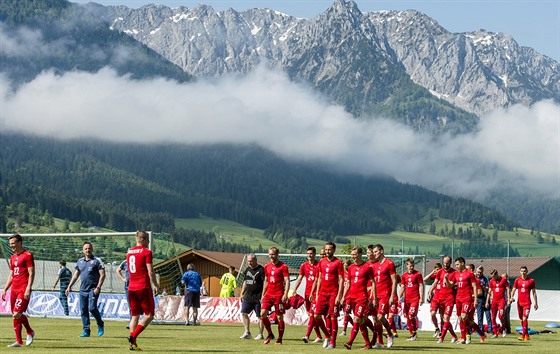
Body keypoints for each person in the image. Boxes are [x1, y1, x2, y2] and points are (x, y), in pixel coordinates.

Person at [126, 230, 160, 351]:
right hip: (143, 286)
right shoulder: (147, 252)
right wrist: (156, 285)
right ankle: (133, 336)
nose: (149, 242)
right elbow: (150, 271)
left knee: (135, 315)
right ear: (143, 239)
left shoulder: (129, 253)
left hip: (131, 287)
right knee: (149, 315)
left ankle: (132, 345)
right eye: (148, 240)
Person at [66, 241, 106, 338]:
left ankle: (100, 324)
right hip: (82, 290)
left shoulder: (97, 261)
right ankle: (86, 330)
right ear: (83, 250)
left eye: (89, 248)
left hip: (93, 289)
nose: (88, 250)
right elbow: (76, 275)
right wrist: (69, 286)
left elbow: (103, 275)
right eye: (86, 248)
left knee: (92, 308)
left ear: (92, 249)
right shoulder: (80, 261)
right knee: (83, 310)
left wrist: (98, 287)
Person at [2, 234, 35, 347]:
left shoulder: (27, 255)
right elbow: (11, 275)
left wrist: (28, 288)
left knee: (17, 313)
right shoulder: (12, 258)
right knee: (15, 315)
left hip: (23, 288)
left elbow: (31, 273)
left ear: (19, 242)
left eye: (13, 243)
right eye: (10, 244)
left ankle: (30, 331)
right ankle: (19, 341)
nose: (11, 246)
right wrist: (6, 289)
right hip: (14, 289)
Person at [445, 257, 486, 344]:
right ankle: (468, 336)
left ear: (462, 263)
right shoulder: (456, 274)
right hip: (458, 298)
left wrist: (475, 300)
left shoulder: (469, 274)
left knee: (464, 317)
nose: (456, 266)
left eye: (457, 264)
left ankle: (466, 336)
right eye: (455, 265)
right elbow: (450, 286)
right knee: (462, 319)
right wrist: (446, 280)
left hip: (467, 299)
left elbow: (475, 287)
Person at [342, 246, 376, 350]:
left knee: (356, 319)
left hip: (362, 298)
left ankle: (350, 342)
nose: (353, 257)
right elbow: (348, 283)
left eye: (355, 254)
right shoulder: (351, 267)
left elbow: (373, 282)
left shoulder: (367, 267)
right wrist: (343, 296)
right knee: (361, 321)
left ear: (360, 254)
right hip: (352, 297)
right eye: (352, 255)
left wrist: (373, 298)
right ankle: (368, 343)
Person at [314, 241, 344, 349]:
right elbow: (320, 278)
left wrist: (339, 295)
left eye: (329, 249)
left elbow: (341, 280)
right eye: (326, 249)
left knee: (332, 317)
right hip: (322, 293)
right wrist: (317, 293)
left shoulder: (338, 263)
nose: (327, 251)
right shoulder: (321, 262)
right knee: (316, 315)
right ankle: (327, 335)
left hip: (333, 293)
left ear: (334, 250)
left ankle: (333, 342)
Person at [368, 244, 397, 348]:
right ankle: (380, 342)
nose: (374, 254)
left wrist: (392, 296)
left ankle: (389, 334)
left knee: (380, 317)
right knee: (376, 319)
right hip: (376, 294)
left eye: (375, 252)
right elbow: (373, 283)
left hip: (385, 294)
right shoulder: (374, 265)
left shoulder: (389, 263)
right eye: (373, 252)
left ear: (381, 251)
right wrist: (372, 296)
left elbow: (394, 280)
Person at [292, 246, 323, 344]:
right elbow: (300, 278)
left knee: (313, 315)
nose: (309, 255)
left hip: (317, 293)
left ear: (314, 254)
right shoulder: (303, 265)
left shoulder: (319, 265)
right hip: (307, 293)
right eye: (308, 253)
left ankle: (307, 335)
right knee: (311, 315)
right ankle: (319, 336)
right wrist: (294, 289)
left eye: (311, 253)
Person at [260, 247, 290, 345]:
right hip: (268, 294)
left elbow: (287, 280)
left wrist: (285, 293)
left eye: (273, 254)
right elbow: (266, 280)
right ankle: (270, 334)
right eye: (269, 254)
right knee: (262, 314)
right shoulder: (267, 266)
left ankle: (280, 339)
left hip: (279, 295)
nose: (271, 256)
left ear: (277, 255)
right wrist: (263, 294)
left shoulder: (283, 266)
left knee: (279, 317)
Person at [429, 255, 458, 343]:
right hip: (439, 298)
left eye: (447, 263)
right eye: (444, 263)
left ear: (450, 263)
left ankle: (441, 338)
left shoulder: (454, 273)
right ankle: (453, 335)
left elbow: (450, 286)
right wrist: (430, 291)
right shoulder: (440, 271)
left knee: (446, 318)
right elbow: (435, 282)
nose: (445, 265)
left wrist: (446, 279)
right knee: (436, 315)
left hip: (449, 299)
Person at [239, 253, 265, 340]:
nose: (250, 263)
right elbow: (245, 282)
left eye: (251, 261)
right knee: (243, 313)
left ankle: (260, 334)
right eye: (248, 261)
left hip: (258, 297)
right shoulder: (247, 269)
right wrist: (242, 293)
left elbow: (265, 283)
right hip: (248, 297)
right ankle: (247, 332)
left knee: (260, 316)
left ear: (255, 260)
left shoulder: (261, 270)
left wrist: (263, 295)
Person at [509, 266, 538, 341]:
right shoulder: (517, 280)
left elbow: (534, 292)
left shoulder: (531, 280)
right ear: (520, 272)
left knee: (525, 318)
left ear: (527, 271)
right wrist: (511, 297)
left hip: (527, 303)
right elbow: (513, 289)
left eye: (524, 271)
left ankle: (522, 335)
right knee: (522, 319)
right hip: (519, 303)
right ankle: (527, 335)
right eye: (522, 271)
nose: (523, 272)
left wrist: (536, 303)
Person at [399, 258, 424, 341]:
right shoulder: (404, 275)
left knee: (411, 315)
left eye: (412, 266)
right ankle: (412, 334)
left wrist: (421, 297)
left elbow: (421, 285)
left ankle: (413, 333)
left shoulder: (418, 274)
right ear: (407, 266)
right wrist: (400, 297)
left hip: (415, 298)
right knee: (407, 317)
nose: (411, 267)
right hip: (407, 299)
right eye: (410, 266)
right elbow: (402, 286)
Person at [486, 269, 510, 338]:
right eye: (492, 276)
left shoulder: (503, 280)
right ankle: (495, 333)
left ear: (497, 274)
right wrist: (487, 301)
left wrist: (508, 299)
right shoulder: (491, 281)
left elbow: (508, 289)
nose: (493, 277)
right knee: (493, 317)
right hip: (494, 301)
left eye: (494, 276)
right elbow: (489, 291)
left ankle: (504, 329)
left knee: (501, 316)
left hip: (501, 301)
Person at [425, 262, 443, 337]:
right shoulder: (435, 276)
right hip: (435, 298)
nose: (437, 271)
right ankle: (436, 328)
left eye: (438, 269)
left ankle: (442, 331)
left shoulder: (443, 276)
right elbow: (425, 279)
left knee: (442, 316)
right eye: (436, 269)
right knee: (432, 313)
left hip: (442, 298)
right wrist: (433, 272)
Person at [475, 266, 492, 334]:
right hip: (478, 299)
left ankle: (490, 329)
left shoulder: (485, 278)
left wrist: (484, 287)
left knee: (488, 314)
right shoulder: (474, 278)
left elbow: (488, 288)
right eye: (478, 272)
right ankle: (480, 330)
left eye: (480, 272)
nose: (479, 273)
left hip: (485, 298)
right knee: (479, 315)